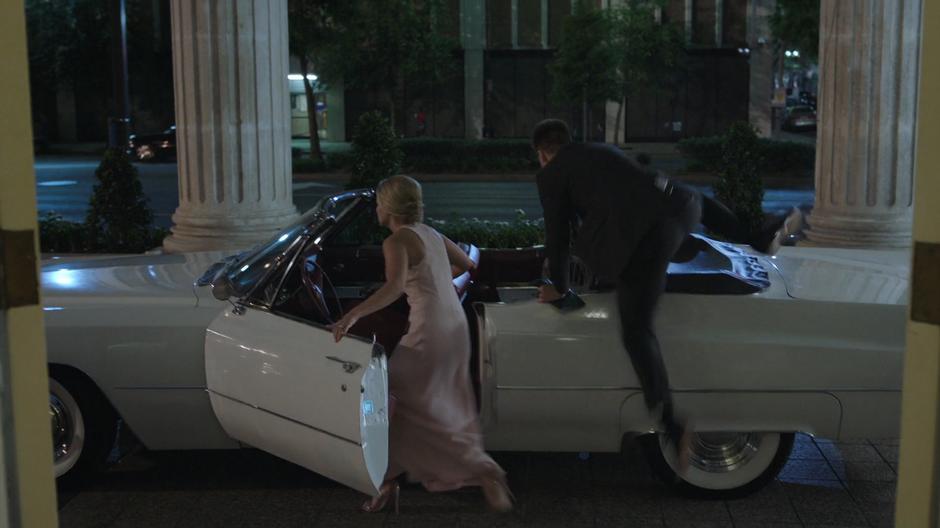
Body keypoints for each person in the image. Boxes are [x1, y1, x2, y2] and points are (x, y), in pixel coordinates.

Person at [531, 119, 802, 471]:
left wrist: (559, 287)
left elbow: (557, 236)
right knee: (695, 199)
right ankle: (757, 234)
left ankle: (672, 427)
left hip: (642, 241)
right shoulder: (599, 151)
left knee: (636, 331)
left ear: (542, 154)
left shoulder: (551, 174)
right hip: (681, 208)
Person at [331, 175, 513, 513]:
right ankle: (386, 483)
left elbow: (394, 288)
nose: (375, 208)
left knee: (388, 402)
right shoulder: (430, 234)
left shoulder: (397, 242)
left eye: (377, 203)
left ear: (387, 207)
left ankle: (486, 471)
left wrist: (352, 315)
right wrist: (436, 281)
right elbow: (468, 264)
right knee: (415, 409)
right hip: (454, 327)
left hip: (429, 331)